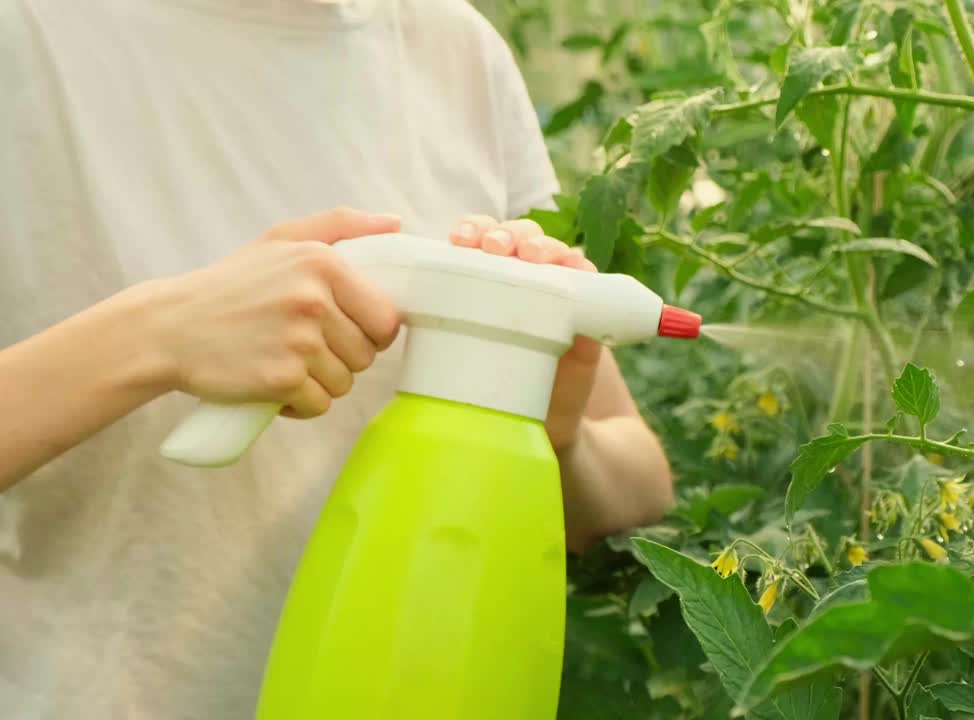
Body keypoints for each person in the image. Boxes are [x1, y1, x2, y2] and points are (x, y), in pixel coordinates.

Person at [0, 1, 674, 717]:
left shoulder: (457, 51)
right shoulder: (31, 34)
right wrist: (157, 336)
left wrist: (557, 433)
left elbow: (637, 483)